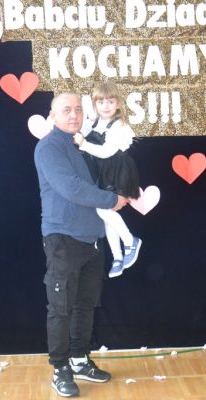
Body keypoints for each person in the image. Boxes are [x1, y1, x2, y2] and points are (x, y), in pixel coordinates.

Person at [34, 92, 128, 397]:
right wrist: (112, 200)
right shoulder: (49, 147)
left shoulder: (80, 145)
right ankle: (60, 368)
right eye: (66, 110)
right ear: (53, 115)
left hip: (92, 239)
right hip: (63, 238)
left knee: (85, 305)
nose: (73, 115)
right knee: (60, 308)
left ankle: (78, 359)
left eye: (78, 109)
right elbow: (71, 188)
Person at [73, 82, 142, 278]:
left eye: (110, 101)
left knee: (102, 209)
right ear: (94, 103)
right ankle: (117, 257)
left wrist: (84, 144)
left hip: (117, 171)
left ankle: (130, 241)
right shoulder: (95, 121)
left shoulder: (119, 125)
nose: (105, 106)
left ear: (118, 104)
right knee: (107, 214)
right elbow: (81, 129)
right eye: (101, 102)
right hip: (103, 171)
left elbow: (106, 152)